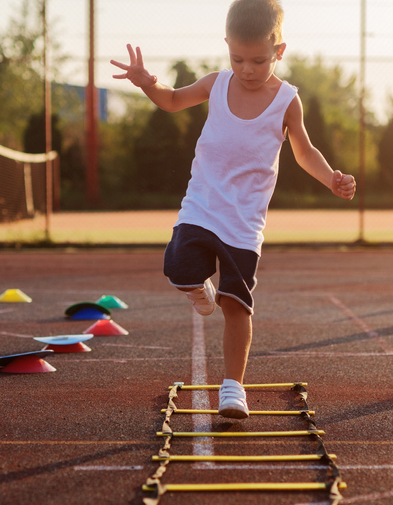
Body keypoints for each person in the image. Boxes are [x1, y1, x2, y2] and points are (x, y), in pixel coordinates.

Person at [112, 0, 355, 419]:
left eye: (258, 60)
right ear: (227, 47)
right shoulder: (216, 84)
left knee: (236, 306)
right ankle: (197, 290)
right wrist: (146, 82)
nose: (247, 68)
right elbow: (170, 100)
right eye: (237, 58)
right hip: (202, 206)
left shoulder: (287, 101)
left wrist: (332, 176)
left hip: (244, 223)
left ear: (279, 51)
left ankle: (232, 387)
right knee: (177, 265)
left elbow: (304, 151)